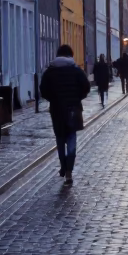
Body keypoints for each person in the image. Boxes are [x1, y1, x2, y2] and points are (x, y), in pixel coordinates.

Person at [40, 44, 91, 186]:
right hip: (73, 109)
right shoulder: (76, 70)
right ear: (70, 55)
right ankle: (69, 171)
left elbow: (43, 90)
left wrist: (53, 99)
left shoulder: (50, 71)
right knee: (71, 138)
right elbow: (86, 86)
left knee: (60, 139)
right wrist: (77, 98)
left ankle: (63, 166)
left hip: (57, 110)